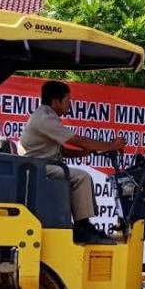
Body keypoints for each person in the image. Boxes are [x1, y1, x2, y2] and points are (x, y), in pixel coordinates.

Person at [20, 81, 126, 244]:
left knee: (76, 175)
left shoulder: (46, 116)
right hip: (39, 169)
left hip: (41, 166)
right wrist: (111, 145)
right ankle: (82, 227)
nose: (70, 104)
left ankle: (82, 225)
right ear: (56, 102)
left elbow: (60, 151)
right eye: (67, 100)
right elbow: (77, 140)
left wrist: (84, 152)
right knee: (81, 177)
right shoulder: (45, 119)